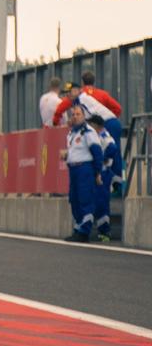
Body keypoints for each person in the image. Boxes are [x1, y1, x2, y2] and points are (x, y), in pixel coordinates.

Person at [64, 103, 112, 243]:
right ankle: (78, 228)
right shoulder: (72, 133)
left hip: (84, 169)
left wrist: (97, 173)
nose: (75, 117)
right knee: (74, 199)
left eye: (78, 114)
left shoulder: (88, 132)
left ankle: (84, 231)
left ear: (84, 116)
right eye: (73, 114)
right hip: (74, 169)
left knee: (85, 199)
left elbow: (97, 154)